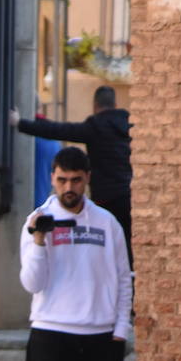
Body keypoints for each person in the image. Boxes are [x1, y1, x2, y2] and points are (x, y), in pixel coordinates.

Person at [18, 146, 132, 361]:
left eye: (76, 180)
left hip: (101, 334)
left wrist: (121, 329)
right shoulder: (37, 221)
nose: (68, 188)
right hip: (50, 331)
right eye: (62, 180)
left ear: (87, 178)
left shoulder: (107, 222)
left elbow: (123, 277)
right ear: (52, 178)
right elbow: (32, 284)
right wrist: (39, 240)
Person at [9, 85, 133, 268]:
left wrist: (20, 123)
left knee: (103, 250)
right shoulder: (130, 128)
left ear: (95, 106)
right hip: (129, 198)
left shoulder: (95, 127)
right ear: (115, 104)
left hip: (105, 200)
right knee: (127, 251)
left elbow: (58, 130)